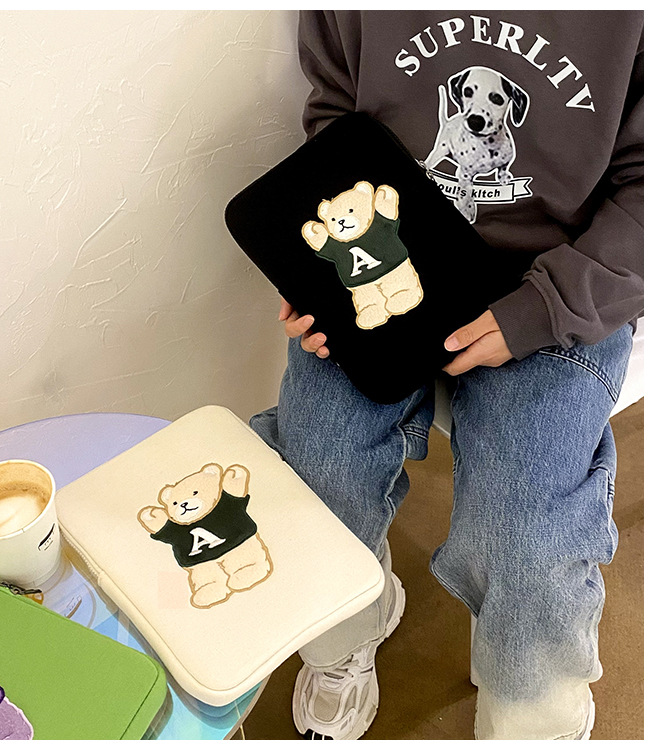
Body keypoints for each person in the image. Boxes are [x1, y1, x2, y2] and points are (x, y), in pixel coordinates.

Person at [249, 10, 643, 741]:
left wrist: (543, 309)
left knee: (526, 528)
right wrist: (322, 271)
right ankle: (345, 630)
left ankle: (531, 704)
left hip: (563, 278)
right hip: (388, 260)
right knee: (316, 466)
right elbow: (336, 117)